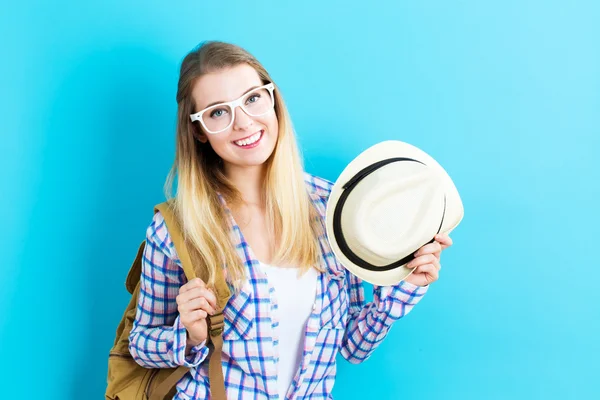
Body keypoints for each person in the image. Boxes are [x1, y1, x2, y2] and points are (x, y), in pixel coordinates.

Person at [128, 40, 453, 400]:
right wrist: (188, 335)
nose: (243, 122)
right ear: (198, 131)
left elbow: (352, 346)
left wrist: (406, 285)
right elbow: (140, 344)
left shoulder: (332, 207)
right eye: (218, 112)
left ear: (273, 100)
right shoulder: (180, 227)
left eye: (252, 98)